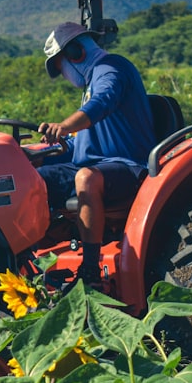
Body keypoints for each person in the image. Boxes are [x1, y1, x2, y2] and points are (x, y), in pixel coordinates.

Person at [35, 22, 157, 283]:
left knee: (86, 179)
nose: (65, 75)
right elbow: (83, 142)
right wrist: (34, 154)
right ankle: (27, 259)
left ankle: (90, 272)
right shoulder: (91, 81)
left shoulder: (112, 69)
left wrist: (64, 126)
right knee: (28, 178)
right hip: (91, 163)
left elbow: (102, 103)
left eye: (61, 67)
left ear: (76, 53)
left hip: (128, 166)